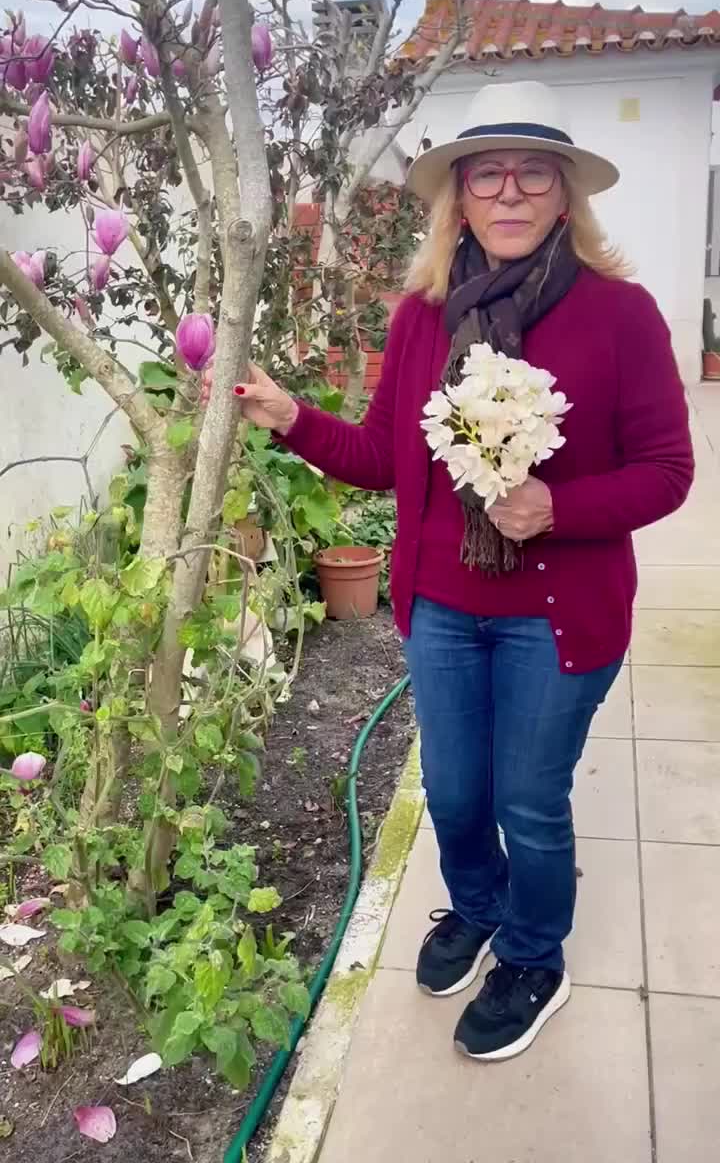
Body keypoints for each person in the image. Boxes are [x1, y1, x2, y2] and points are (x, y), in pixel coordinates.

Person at [217, 80, 694, 1062]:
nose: (510, 192)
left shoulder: (622, 314)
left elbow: (668, 470)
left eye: (533, 173)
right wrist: (290, 417)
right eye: (489, 173)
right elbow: (385, 457)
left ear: (564, 196)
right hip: (442, 605)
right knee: (457, 794)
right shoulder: (422, 319)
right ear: (461, 197)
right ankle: (476, 907)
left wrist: (559, 505)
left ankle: (533, 953)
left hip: (554, 617)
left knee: (528, 798)